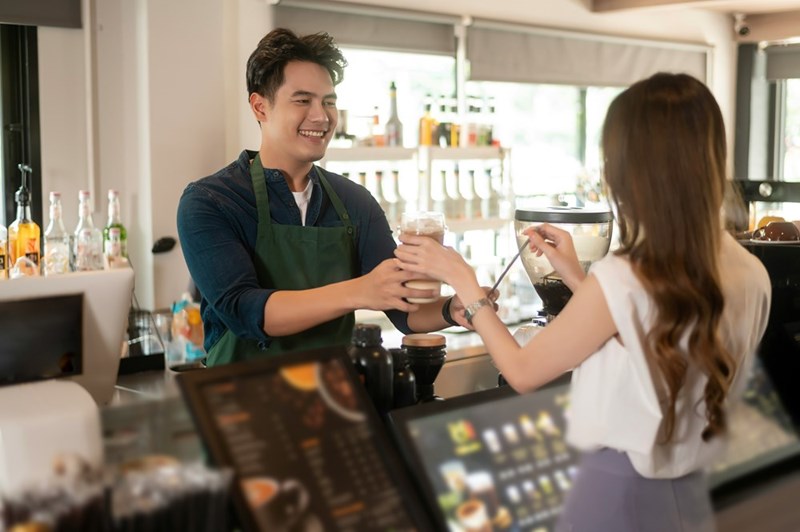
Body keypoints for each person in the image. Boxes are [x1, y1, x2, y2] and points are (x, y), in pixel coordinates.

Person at [396, 73, 771, 531]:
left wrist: (465, 282)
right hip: (690, 495)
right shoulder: (749, 271)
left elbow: (523, 371)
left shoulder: (629, 274)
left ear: (628, 169)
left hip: (616, 493)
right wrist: (577, 276)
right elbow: (654, 344)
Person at [177, 28, 483, 367]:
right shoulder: (211, 201)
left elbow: (400, 309)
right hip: (244, 404)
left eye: (329, 101)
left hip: (333, 400)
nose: (321, 116)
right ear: (260, 107)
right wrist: (360, 290)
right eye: (303, 100)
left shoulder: (354, 202)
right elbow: (245, 311)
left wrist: (450, 309)